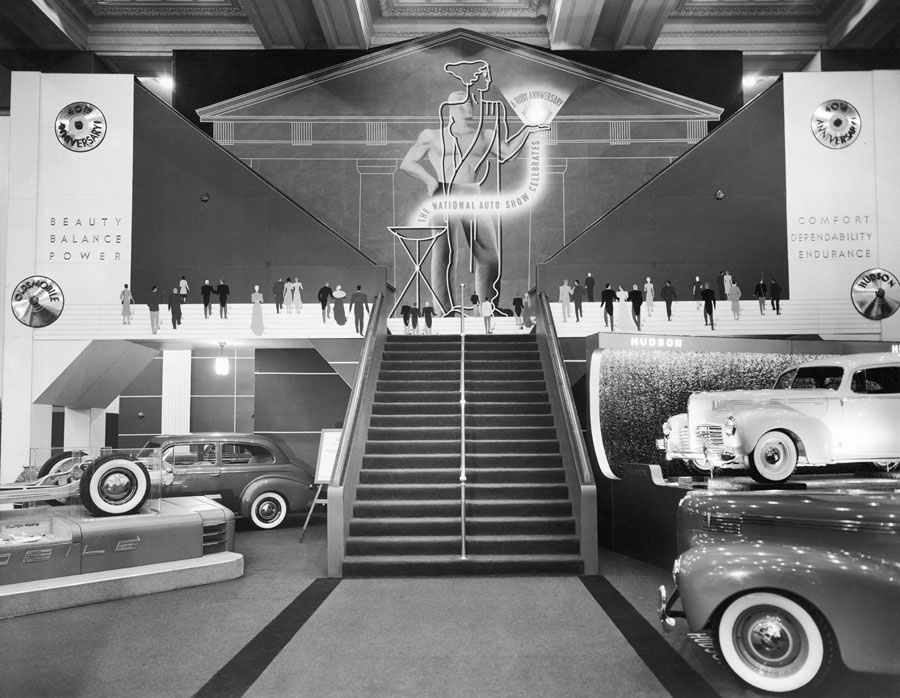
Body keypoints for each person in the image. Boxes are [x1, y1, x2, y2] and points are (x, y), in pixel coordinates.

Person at [399, 60, 549, 313]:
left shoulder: (484, 134)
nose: (473, 106)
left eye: (472, 102)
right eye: (467, 103)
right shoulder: (432, 136)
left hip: (472, 193)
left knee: (489, 254)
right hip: (443, 193)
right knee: (444, 255)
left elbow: (507, 153)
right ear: (454, 108)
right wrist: (429, 180)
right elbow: (408, 162)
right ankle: (442, 309)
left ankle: (487, 306)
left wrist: (528, 130)